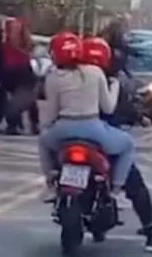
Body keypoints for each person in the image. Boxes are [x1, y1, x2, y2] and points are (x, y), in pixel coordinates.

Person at [38, 32, 136, 205]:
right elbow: (108, 107)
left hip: (63, 128)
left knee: (43, 142)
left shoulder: (53, 77)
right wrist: (114, 87)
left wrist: (44, 127)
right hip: (93, 128)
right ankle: (116, 190)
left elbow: (51, 114)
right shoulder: (95, 72)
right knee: (128, 145)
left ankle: (51, 183)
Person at [81, 36, 152, 250]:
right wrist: (139, 116)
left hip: (75, 137)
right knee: (133, 182)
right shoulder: (113, 83)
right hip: (104, 139)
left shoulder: (73, 76)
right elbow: (123, 109)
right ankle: (151, 230)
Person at [1, 18, 39, 135]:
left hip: (19, 74)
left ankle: (17, 124)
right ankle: (22, 124)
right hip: (16, 74)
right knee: (24, 102)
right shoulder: (8, 44)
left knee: (21, 102)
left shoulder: (8, 45)